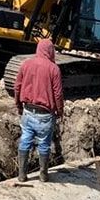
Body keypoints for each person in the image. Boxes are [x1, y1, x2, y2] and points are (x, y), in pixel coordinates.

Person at [14, 39, 64, 183]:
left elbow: (17, 86)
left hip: (28, 111)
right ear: (50, 51)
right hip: (45, 114)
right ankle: (43, 175)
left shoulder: (26, 64)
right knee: (44, 144)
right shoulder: (53, 68)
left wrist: (18, 104)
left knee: (25, 141)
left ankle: (22, 175)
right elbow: (58, 94)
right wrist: (60, 111)